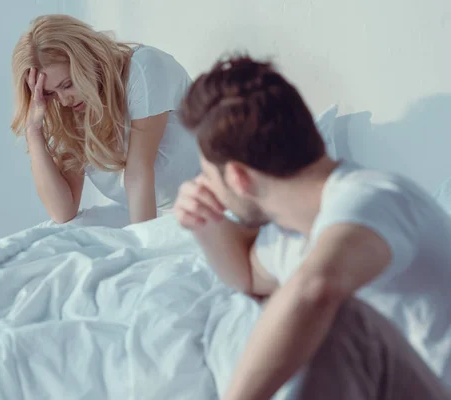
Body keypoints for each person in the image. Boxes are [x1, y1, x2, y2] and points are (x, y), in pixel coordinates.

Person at [174, 56, 451, 399]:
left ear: (238, 177)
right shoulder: (289, 234)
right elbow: (245, 273)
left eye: (207, 173)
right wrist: (205, 222)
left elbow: (314, 290)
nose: (203, 183)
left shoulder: (373, 199)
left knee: (334, 319)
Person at [11, 15, 199, 225]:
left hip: (223, 197)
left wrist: (145, 251)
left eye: (68, 84)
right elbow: (63, 211)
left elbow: (138, 172)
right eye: (50, 93)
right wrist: (33, 130)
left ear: (87, 60)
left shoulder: (143, 70)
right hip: (175, 214)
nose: (63, 100)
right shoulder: (72, 112)